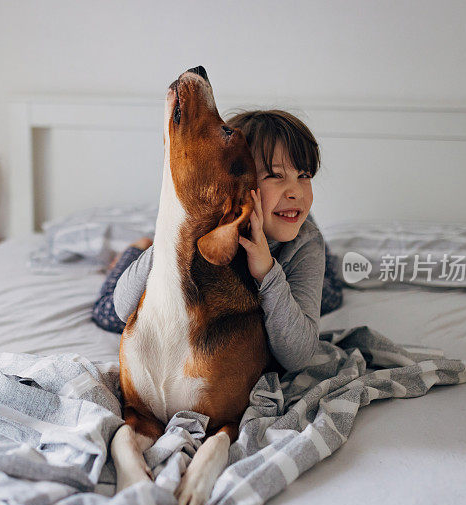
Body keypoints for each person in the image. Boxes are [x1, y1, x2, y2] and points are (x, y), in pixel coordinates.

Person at [91, 110, 343, 373]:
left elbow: (298, 357)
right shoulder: (204, 229)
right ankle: (137, 246)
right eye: (275, 175)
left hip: (287, 242)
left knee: (331, 296)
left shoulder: (305, 242)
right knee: (107, 316)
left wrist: (267, 273)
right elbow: (121, 309)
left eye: (304, 175)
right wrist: (174, 238)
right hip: (241, 217)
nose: (297, 191)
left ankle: (325, 249)